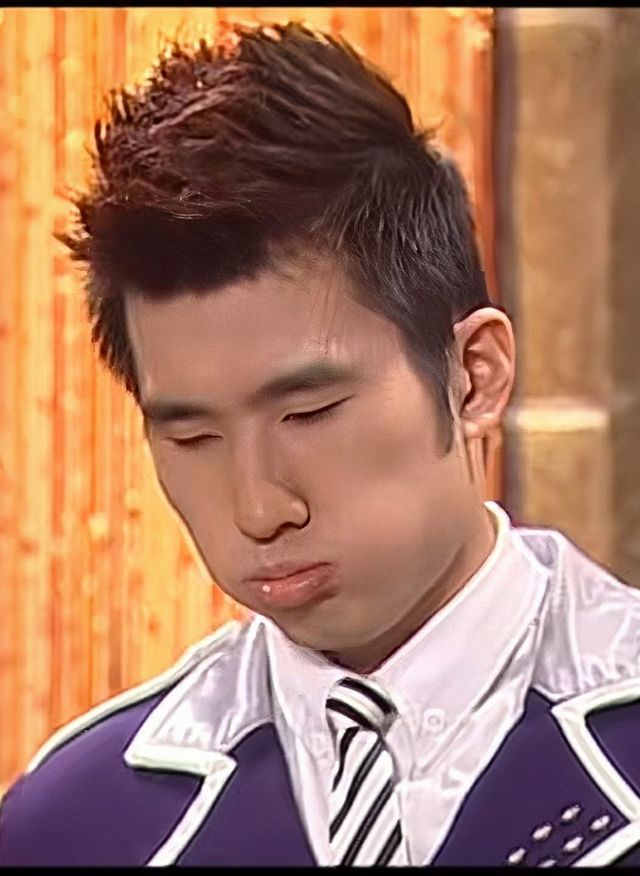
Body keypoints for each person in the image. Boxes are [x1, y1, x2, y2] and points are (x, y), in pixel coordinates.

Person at [1, 19, 639, 868]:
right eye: (193, 435)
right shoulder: (74, 827)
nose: (259, 508)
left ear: (474, 378)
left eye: (309, 414)